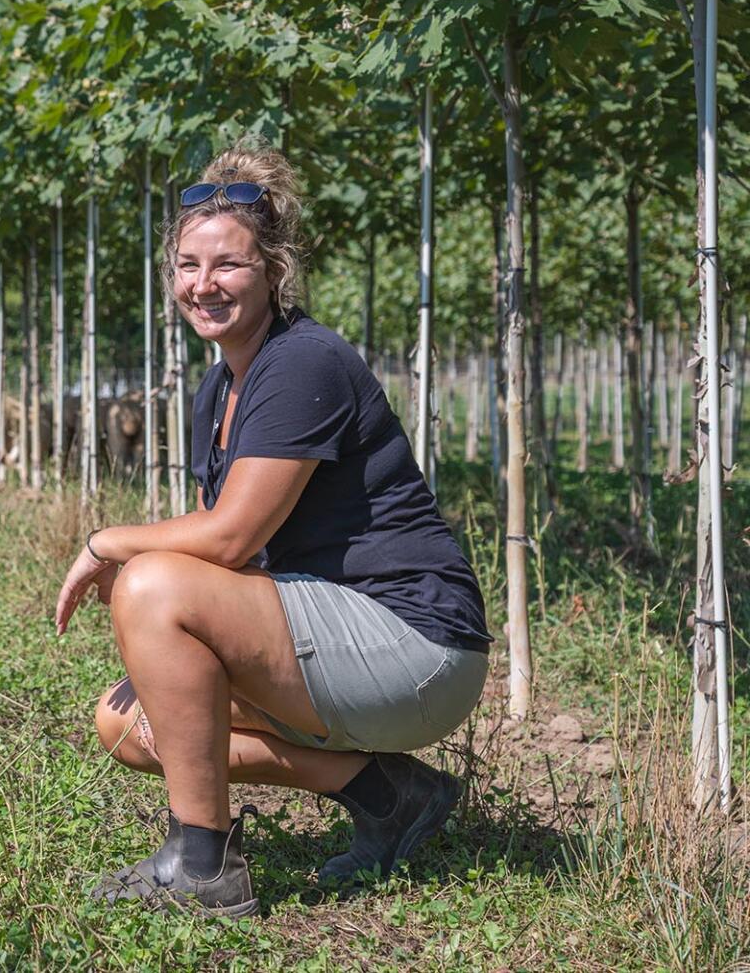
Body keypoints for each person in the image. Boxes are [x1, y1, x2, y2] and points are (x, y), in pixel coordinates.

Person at [53, 144, 490, 918]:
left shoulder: (301, 363)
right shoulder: (219, 384)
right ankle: (389, 794)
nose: (203, 284)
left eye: (229, 265)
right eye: (188, 265)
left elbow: (224, 540)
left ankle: (204, 870)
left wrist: (105, 544)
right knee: (127, 723)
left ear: (275, 271)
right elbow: (237, 557)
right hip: (329, 629)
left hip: (415, 644)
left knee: (153, 582)